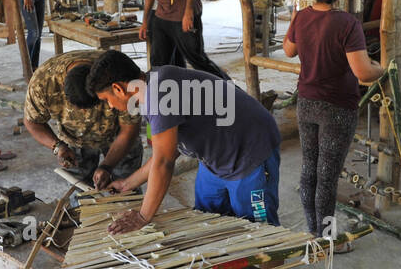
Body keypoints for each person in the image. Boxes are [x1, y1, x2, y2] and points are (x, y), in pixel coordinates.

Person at [86, 50, 280, 234]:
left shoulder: (159, 95)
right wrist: (128, 184)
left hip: (249, 152)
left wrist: (143, 216)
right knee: (207, 221)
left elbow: (164, 162)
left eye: (106, 99)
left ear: (118, 89)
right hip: (216, 157)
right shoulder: (149, 89)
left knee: (260, 234)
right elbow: (167, 151)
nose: (109, 106)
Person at [282, 0, 383, 249]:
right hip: (337, 108)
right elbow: (363, 73)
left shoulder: (302, 18)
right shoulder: (347, 23)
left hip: (307, 103)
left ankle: (314, 231)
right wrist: (382, 68)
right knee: (326, 176)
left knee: (309, 169)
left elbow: (289, 51)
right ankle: (326, 240)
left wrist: (295, 18)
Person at [23, 51, 143, 189]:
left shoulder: (115, 75)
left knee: (127, 191)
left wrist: (107, 165)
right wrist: (58, 146)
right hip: (75, 140)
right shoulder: (43, 83)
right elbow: (32, 121)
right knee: (80, 195)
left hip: (119, 138)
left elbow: (129, 129)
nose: (86, 115)